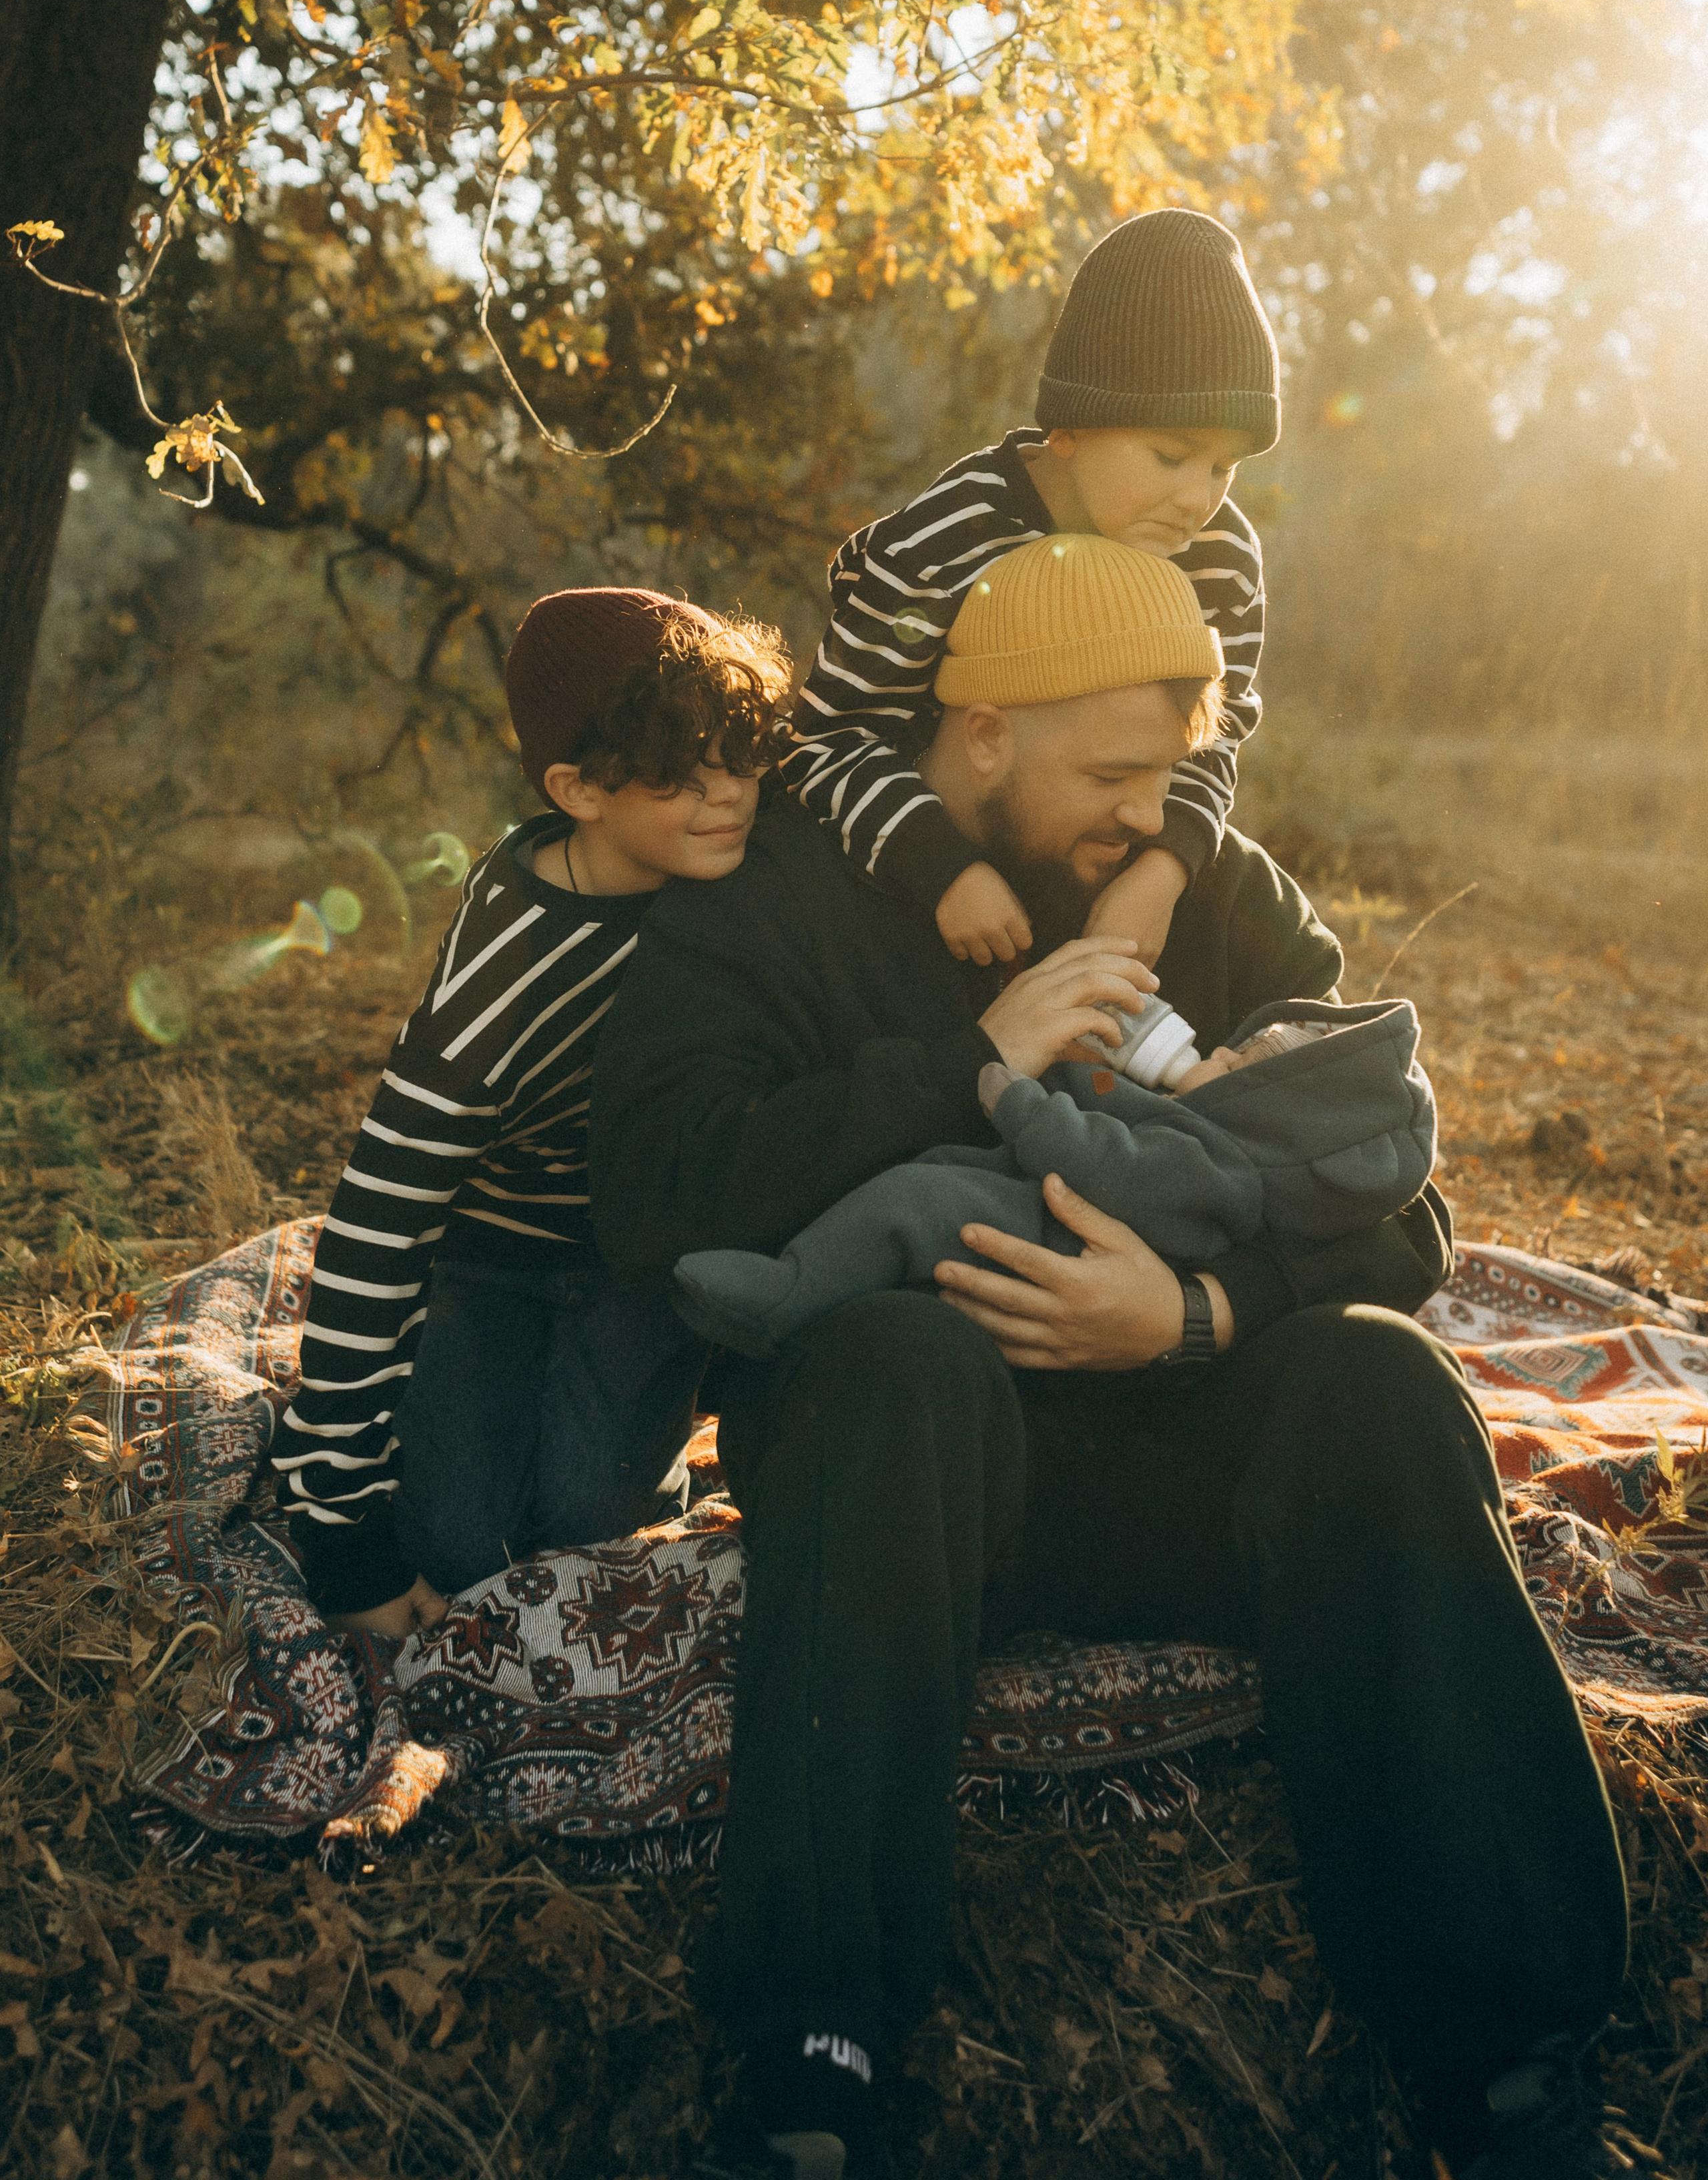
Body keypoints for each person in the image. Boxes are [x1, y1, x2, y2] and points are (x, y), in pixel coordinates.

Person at [590, 537, 1629, 2180]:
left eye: (1169, 769)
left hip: (1176, 1464)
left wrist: (1199, 1315)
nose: (1151, 811)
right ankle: (812, 2069)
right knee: (889, 1360)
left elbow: (1394, 1207)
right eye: (1115, 769)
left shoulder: (1207, 894)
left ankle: (1510, 2070)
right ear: (984, 733)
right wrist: (965, 1064)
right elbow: (661, 1189)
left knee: (1372, 1369)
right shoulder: (778, 888)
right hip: (899, 1486)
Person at [268, 587, 793, 1635]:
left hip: (637, 1257)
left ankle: (645, 1432)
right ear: (578, 790)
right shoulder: (503, 985)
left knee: (585, 1530)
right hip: (492, 1255)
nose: (730, 796)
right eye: (680, 780)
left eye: (742, 759)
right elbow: (377, 1224)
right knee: (459, 1550)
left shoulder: (743, 864)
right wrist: (343, 1543)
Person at [779, 206, 1275, 976]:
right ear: (1070, 430)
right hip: (914, 862)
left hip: (1109, 850)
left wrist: (1161, 873)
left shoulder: (1218, 557)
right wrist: (944, 869)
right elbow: (832, 738)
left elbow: (1216, 731)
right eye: (1171, 455)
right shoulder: (946, 541)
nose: (1197, 498)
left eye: (1222, 467)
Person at [672, 988, 1436, 1355]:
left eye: (1243, 1064)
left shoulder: (1219, 1162)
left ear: (1278, 1116)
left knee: (910, 1203)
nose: (1223, 1053)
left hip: (1039, 1238)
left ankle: (784, 1294)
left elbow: (1115, 1167)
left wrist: (1024, 1104)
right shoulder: (1214, 1133)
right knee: (920, 1186)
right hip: (1006, 1219)